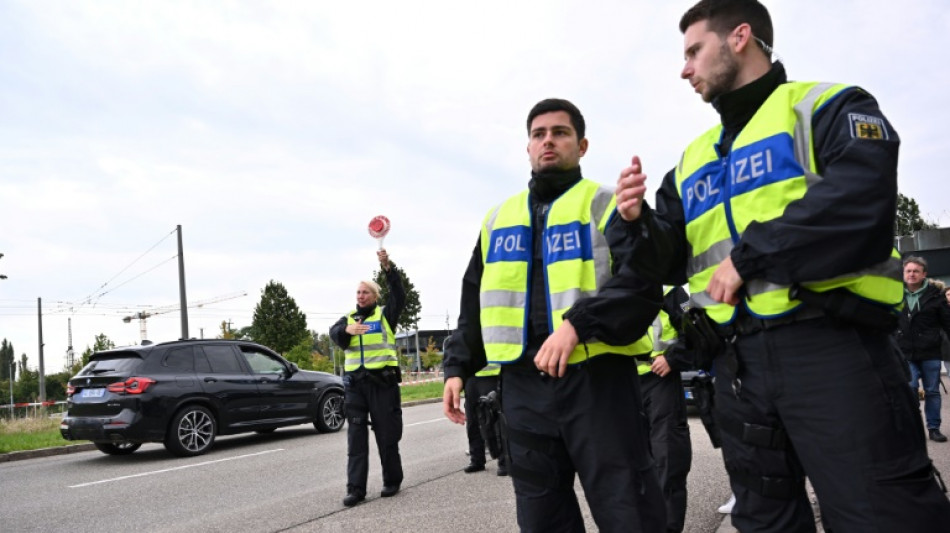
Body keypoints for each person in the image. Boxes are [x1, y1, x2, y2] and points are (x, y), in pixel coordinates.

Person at [612, 1, 950, 531]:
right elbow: (670, 260)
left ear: (740, 37)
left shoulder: (828, 106)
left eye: (694, 51)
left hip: (833, 349)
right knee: (765, 518)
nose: (684, 68)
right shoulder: (691, 162)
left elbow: (860, 200)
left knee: (880, 513)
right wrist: (635, 225)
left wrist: (751, 258)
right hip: (738, 369)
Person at [442, 98, 666, 532]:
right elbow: (475, 302)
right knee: (542, 517)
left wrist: (578, 325)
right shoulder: (497, 219)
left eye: (560, 133)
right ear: (527, 147)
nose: (548, 141)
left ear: (581, 146)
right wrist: (456, 367)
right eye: (538, 134)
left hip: (598, 382)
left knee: (628, 510)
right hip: (524, 388)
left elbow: (641, 284)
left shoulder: (605, 203)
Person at [329, 249, 406, 507]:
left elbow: (399, 295)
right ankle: (355, 489)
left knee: (386, 436)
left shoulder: (385, 315)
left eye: (365, 292)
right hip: (355, 388)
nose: (360, 296)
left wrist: (388, 268)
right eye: (358, 293)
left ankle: (392, 480)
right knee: (356, 439)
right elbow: (335, 333)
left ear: (375, 295)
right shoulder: (348, 319)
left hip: (382, 385)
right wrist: (345, 330)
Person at [641, 285, 693, 532]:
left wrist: (673, 358)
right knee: (626, 465)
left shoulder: (668, 289)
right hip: (620, 384)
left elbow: (694, 330)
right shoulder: (607, 285)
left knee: (668, 460)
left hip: (659, 379)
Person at [898, 257, 950, 442]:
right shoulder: (895, 294)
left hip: (930, 351)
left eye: (916, 271)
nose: (911, 274)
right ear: (903, 273)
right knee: (910, 388)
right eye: (908, 271)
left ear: (924, 274)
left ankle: (934, 428)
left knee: (932, 391)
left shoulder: (936, 295)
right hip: (905, 351)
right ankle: (913, 428)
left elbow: (947, 322)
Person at [462, 364, 508, 476]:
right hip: (471, 377)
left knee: (495, 421)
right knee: (472, 422)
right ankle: (476, 460)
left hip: (491, 375)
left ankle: (504, 463)